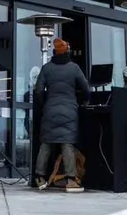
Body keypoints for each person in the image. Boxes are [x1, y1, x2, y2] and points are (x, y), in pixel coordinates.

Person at [32, 38, 89, 191]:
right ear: (67, 52)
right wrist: (82, 101)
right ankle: (71, 180)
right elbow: (86, 89)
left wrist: (45, 105)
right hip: (69, 111)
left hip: (50, 110)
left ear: (54, 52)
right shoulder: (74, 68)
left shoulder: (46, 68)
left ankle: (39, 178)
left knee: (46, 143)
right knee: (67, 143)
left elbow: (38, 91)